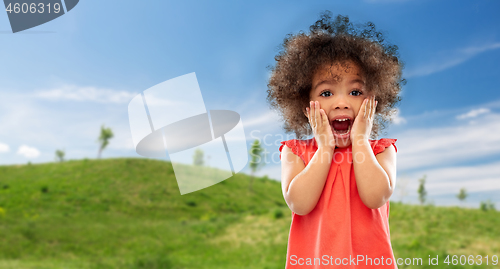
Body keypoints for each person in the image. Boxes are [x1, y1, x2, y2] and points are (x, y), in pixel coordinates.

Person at [266, 11, 404, 268]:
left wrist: (361, 139)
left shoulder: (381, 151)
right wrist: (325, 147)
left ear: (373, 100)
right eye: (327, 92)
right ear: (304, 103)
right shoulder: (295, 152)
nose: (341, 103)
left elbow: (376, 197)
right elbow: (299, 203)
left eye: (355, 91)